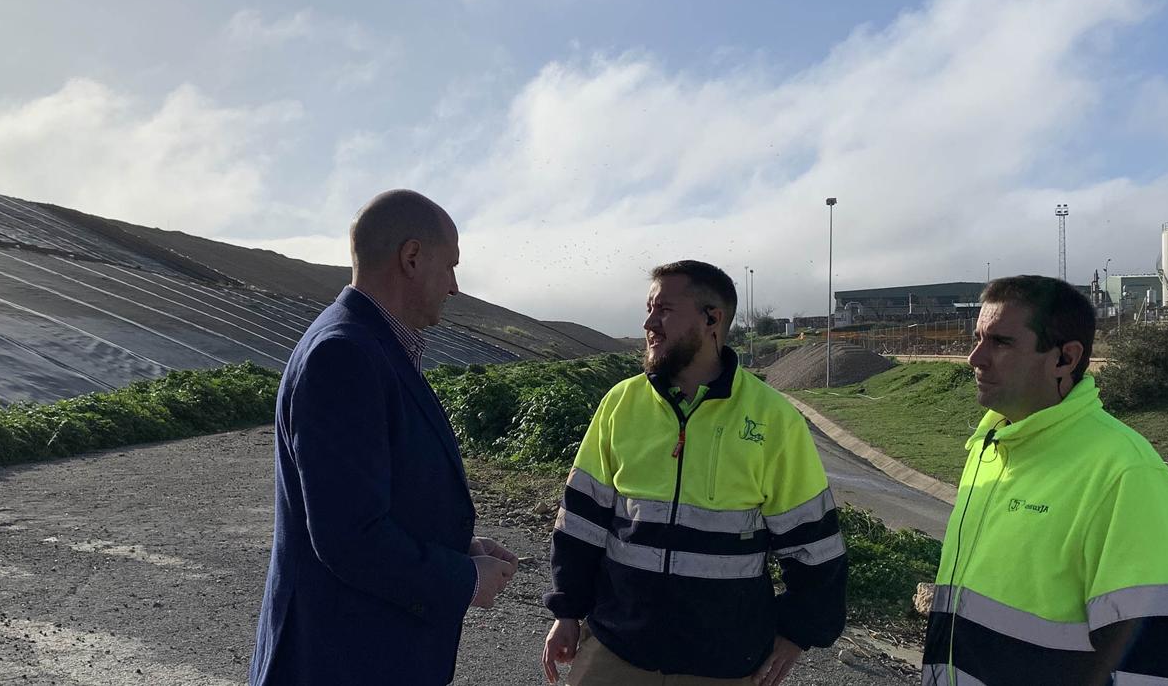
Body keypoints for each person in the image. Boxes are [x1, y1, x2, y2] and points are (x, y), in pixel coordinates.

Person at [248, 189, 517, 686]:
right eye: (450, 266)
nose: (455, 286)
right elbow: (350, 535)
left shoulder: (368, 345)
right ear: (412, 257)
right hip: (341, 661)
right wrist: (464, 580)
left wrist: (461, 547)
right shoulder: (344, 356)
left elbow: (380, 497)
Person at [542, 260, 847, 685]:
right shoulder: (620, 404)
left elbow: (813, 542)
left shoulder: (774, 419)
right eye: (649, 308)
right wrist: (568, 611)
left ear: (712, 319)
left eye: (664, 309)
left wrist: (798, 632)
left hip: (723, 665)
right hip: (616, 651)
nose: (649, 322)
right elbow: (580, 520)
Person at [923, 275, 1168, 685]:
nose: (974, 358)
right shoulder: (991, 447)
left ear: (1065, 359)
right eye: (978, 337)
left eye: (1001, 342)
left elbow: (1165, 667)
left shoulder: (1125, 474)